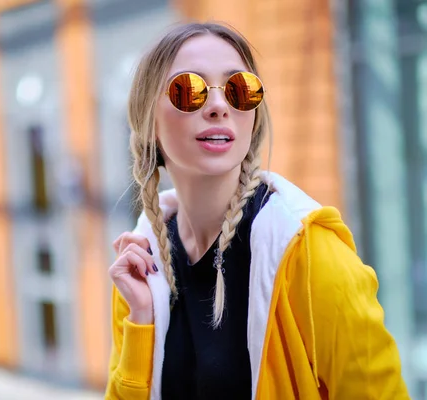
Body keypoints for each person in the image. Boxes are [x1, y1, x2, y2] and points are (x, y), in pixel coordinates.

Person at [104, 22, 410, 400]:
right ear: (147, 121)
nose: (219, 106)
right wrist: (141, 321)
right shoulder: (142, 264)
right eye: (188, 90)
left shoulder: (308, 253)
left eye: (239, 90)